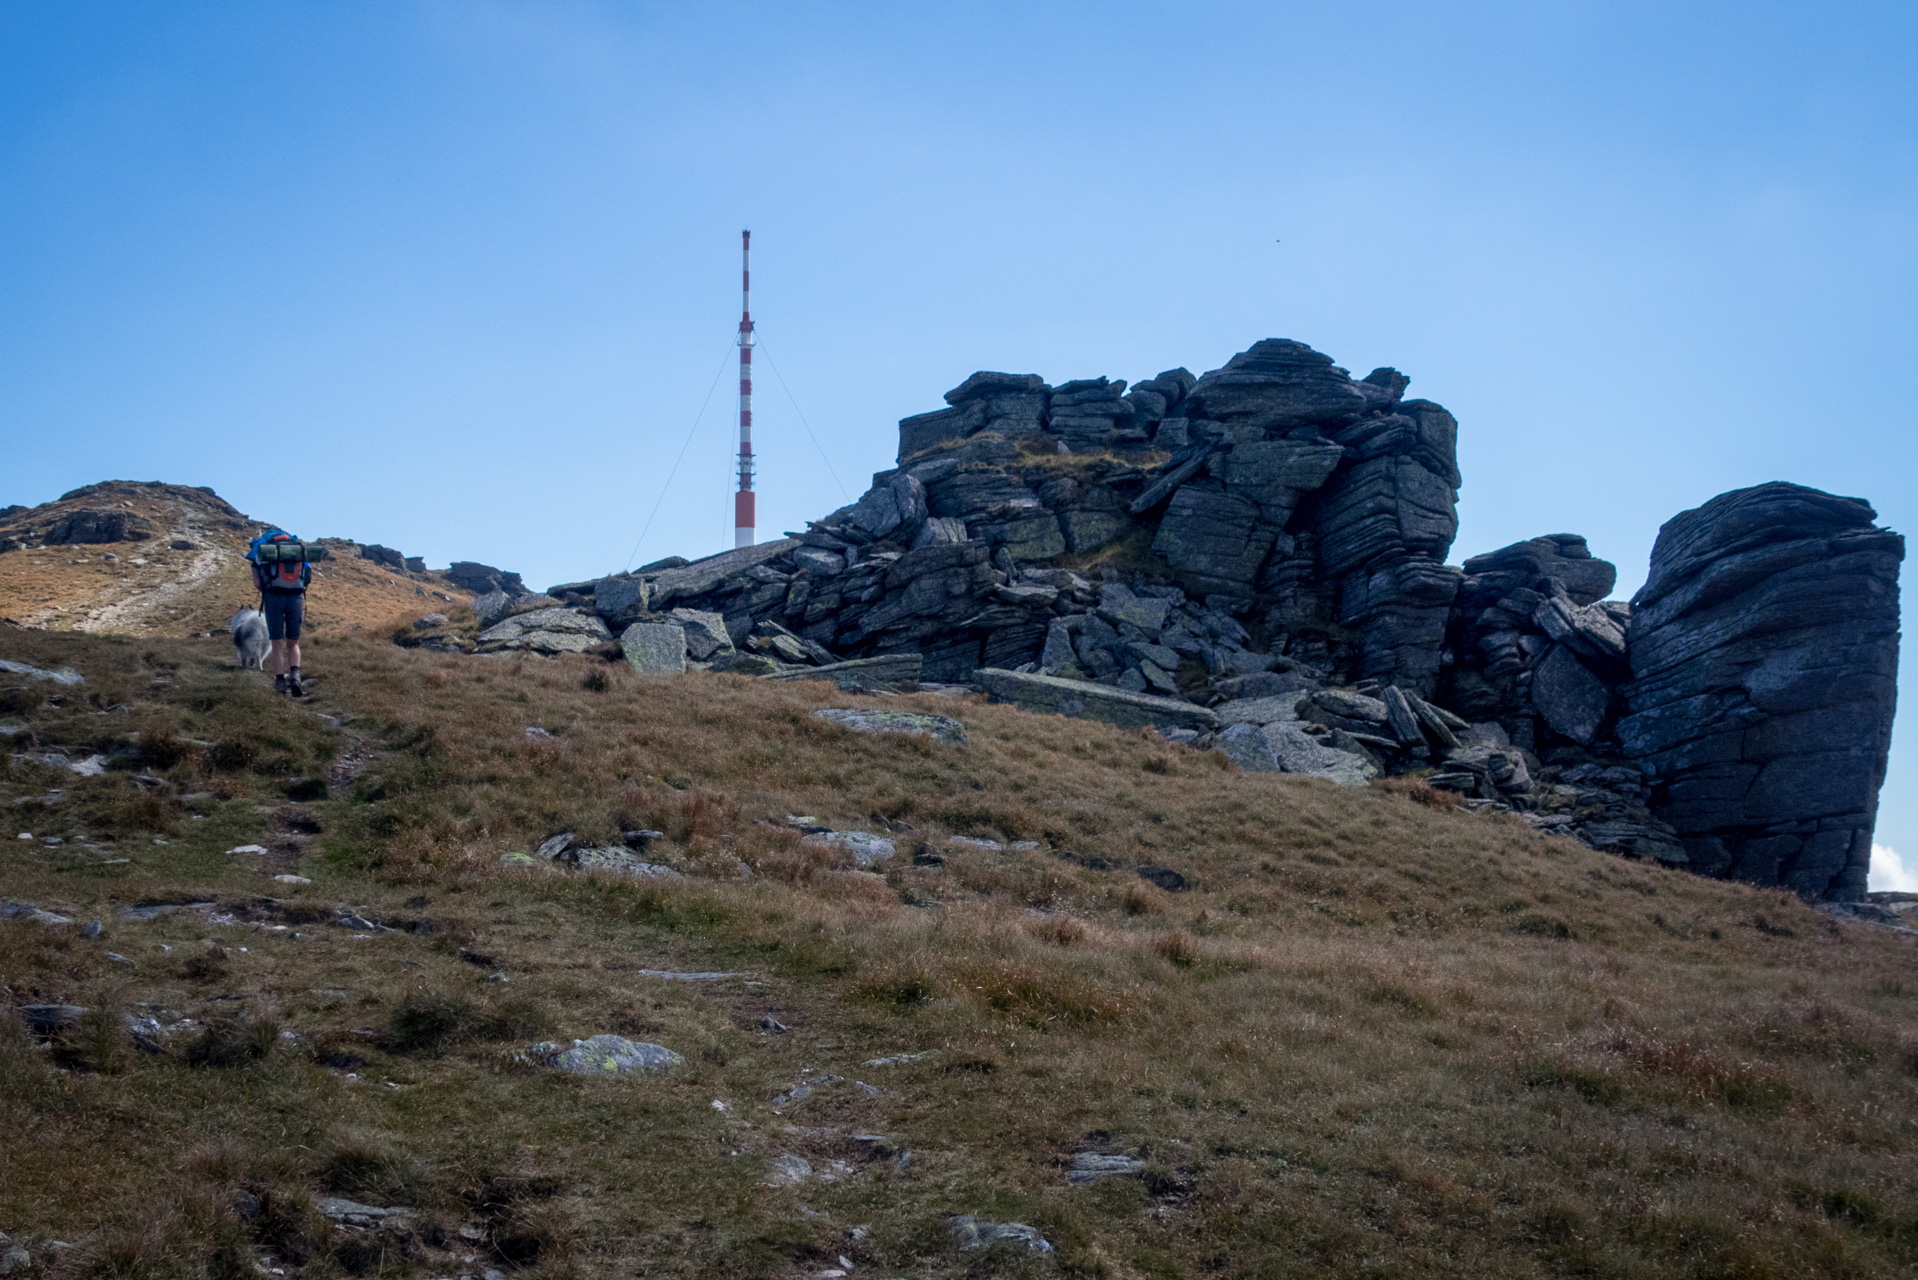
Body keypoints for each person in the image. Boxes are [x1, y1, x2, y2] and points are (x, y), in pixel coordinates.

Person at [247, 528, 312, 696]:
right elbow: (308, 578)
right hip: (295, 597)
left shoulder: (263, 550)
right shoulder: (298, 549)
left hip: (273, 597)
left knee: (276, 643)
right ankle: (295, 677)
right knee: (293, 642)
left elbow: (257, 582)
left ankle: (280, 683)